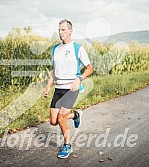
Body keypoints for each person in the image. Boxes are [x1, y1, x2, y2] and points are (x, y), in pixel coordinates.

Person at [44, 19, 94, 159]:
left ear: (70, 31)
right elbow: (54, 70)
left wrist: (79, 79)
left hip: (71, 88)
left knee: (61, 119)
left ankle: (67, 145)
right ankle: (75, 115)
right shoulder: (55, 49)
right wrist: (48, 86)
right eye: (59, 30)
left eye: (63, 30)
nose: (60, 32)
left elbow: (90, 69)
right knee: (53, 121)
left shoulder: (77, 48)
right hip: (58, 89)